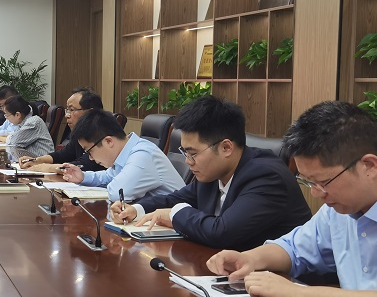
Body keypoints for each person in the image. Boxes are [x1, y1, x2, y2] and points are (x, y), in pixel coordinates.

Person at [207, 100, 377, 297]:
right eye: (308, 182)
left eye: (323, 182)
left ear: (369, 165)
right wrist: (250, 259)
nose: (316, 194)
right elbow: (295, 248)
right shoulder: (341, 206)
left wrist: (299, 294)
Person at [112, 95, 311, 250]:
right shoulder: (213, 172)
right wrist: (136, 209)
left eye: (193, 154)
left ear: (226, 148)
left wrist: (175, 213)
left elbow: (222, 232)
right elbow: (175, 198)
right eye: (185, 153)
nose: (188, 161)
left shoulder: (266, 176)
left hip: (280, 280)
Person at [60, 109, 184, 204]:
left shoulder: (142, 155)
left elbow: (117, 193)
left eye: (89, 151)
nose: (90, 158)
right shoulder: (127, 152)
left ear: (108, 141)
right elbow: (109, 176)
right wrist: (83, 177)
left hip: (173, 224)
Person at [19, 87, 105, 173]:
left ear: (90, 113)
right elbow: (62, 155)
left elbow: (83, 166)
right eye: (67, 110)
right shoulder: (79, 133)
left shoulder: (101, 134)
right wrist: (37, 160)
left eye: (72, 110)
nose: (67, 115)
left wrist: (45, 168)